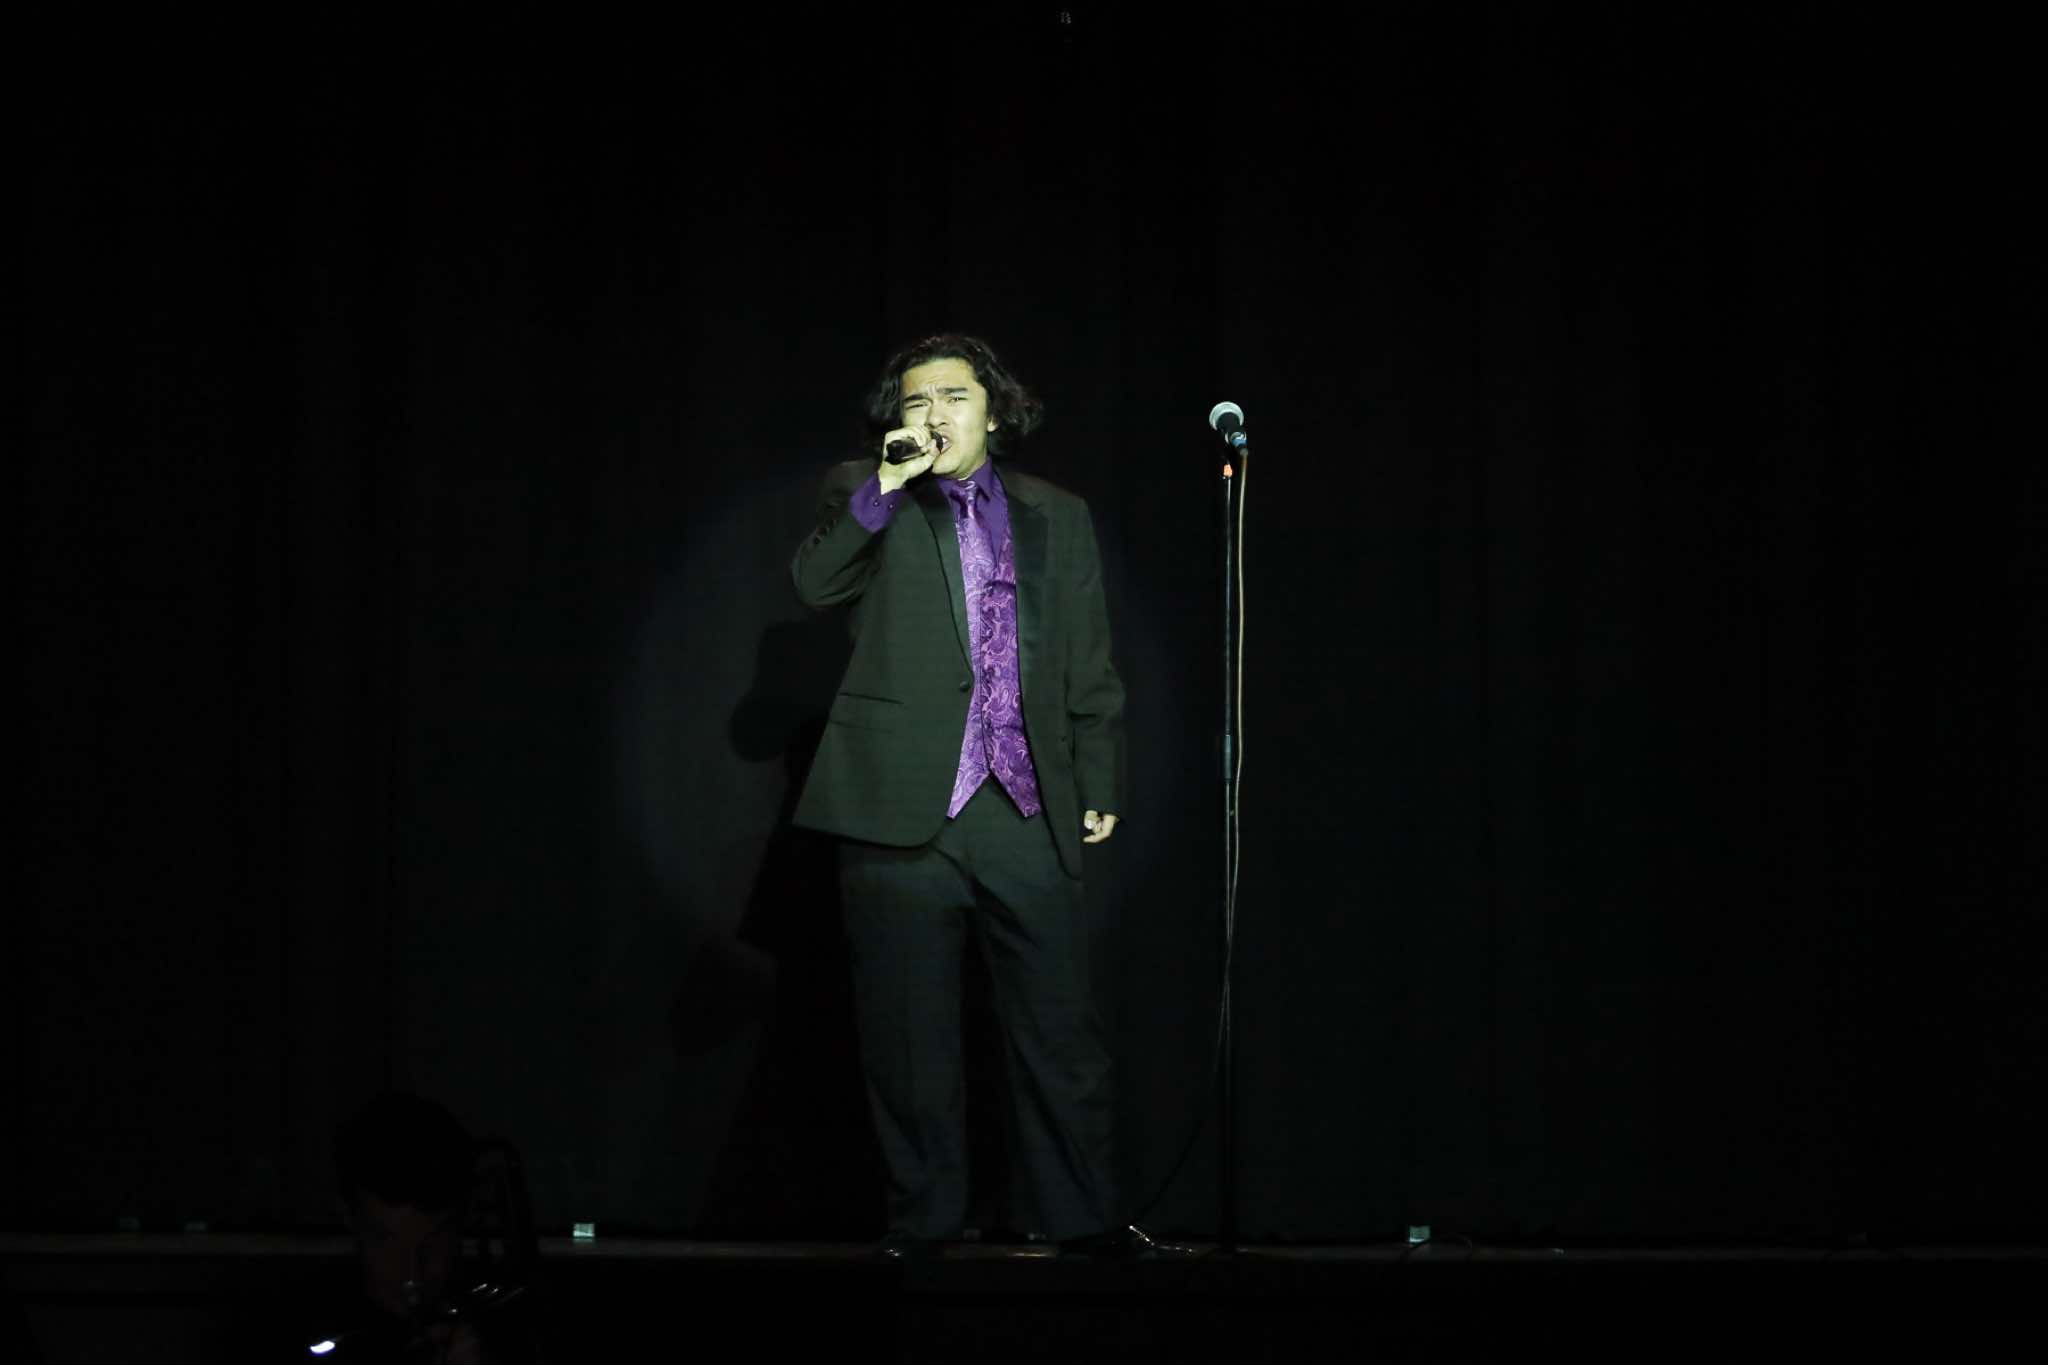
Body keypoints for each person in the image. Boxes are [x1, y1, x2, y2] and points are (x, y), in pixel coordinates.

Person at [791, 333, 1166, 1259]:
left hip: (1024, 801)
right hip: (898, 806)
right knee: (909, 1038)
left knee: (1060, 1031)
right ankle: (924, 1225)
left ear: (994, 412)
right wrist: (886, 485)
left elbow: (1087, 651)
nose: (934, 415)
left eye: (953, 397)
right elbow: (815, 583)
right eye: (917, 400)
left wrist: (1100, 771)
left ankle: (1082, 1218)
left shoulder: (1056, 513)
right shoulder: (864, 489)